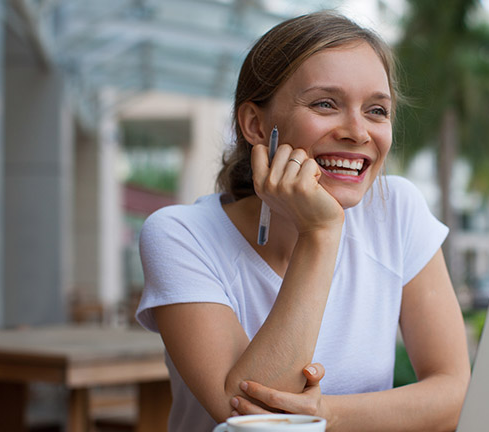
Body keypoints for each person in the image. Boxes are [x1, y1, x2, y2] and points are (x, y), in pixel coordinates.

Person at [136, 11, 470, 432]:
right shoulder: (180, 235)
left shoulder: (396, 209)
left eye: (377, 110)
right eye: (325, 104)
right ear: (256, 125)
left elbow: (454, 393)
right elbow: (250, 421)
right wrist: (320, 234)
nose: (357, 131)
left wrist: (328, 415)